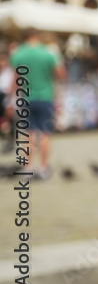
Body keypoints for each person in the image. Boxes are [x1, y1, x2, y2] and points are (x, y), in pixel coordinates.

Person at [10, 29, 65, 180]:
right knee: (45, 134)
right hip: (46, 97)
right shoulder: (48, 53)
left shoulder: (18, 54)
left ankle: (27, 167)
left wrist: (10, 99)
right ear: (37, 37)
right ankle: (43, 168)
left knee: (28, 134)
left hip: (26, 98)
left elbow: (15, 80)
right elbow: (61, 74)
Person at [0, 52, 15, 153]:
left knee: (8, 123)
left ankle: (10, 142)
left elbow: (11, 90)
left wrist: (10, 103)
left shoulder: (10, 73)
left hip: (6, 98)